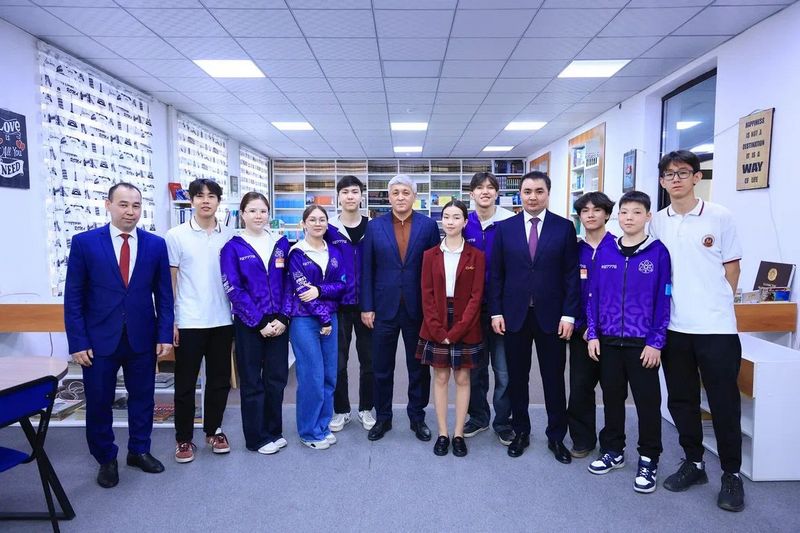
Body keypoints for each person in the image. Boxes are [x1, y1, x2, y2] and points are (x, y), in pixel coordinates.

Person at [649, 150, 746, 512]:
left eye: (682, 172)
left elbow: (732, 269)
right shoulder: (657, 222)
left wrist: (716, 305)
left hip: (716, 329)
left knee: (724, 403)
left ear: (696, 177)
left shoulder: (719, 216)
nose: (675, 179)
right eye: (669, 174)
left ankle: (731, 474)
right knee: (681, 400)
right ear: (662, 181)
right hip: (675, 328)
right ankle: (694, 463)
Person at [64, 182, 173, 488]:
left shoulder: (155, 245)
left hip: (142, 337)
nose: (130, 211)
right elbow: (73, 297)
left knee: (143, 399)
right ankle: (106, 458)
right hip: (99, 341)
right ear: (108, 205)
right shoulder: (85, 243)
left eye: (136, 205)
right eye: (123, 204)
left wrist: (164, 334)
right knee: (99, 401)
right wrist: (78, 341)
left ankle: (139, 450)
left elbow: (164, 295)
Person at [489, 171, 580, 463]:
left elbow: (571, 275)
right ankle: (521, 431)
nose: (532, 197)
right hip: (514, 315)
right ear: (520, 194)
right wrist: (496, 311)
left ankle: (556, 437)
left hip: (552, 317)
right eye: (527, 191)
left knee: (554, 378)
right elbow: (496, 274)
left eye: (539, 191)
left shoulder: (564, 228)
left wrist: (569, 315)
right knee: (517, 378)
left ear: (548, 194)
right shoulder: (505, 229)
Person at [585, 191, 671, 494]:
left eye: (636, 212)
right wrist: (593, 333)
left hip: (642, 343)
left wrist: (656, 342)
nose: (629, 218)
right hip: (608, 341)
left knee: (647, 403)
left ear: (648, 216)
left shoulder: (658, 253)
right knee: (611, 398)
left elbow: (664, 299)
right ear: (617, 216)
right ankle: (613, 450)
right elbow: (593, 295)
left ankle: (649, 458)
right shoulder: (607, 251)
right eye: (624, 212)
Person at [361, 174, 440, 442]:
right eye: (395, 193)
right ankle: (383, 418)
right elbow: (367, 269)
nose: (400, 197)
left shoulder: (428, 226)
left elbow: (435, 270)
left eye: (405, 192)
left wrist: (433, 308)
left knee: (418, 367)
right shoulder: (374, 227)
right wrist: (367, 306)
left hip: (418, 309)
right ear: (389, 197)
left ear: (414, 196)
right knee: (381, 367)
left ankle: (417, 417)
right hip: (383, 308)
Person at [166, 178, 234, 464]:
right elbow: (171, 280)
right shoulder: (175, 236)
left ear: (218, 201)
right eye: (200, 196)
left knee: (219, 380)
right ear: (191, 200)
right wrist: (171, 320)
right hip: (189, 320)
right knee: (185, 383)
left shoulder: (229, 235)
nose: (206, 201)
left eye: (211, 196)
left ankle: (213, 430)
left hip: (222, 319)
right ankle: (183, 438)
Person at [220, 192, 290, 455]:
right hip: (250, 323)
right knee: (252, 381)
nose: (258, 216)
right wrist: (259, 321)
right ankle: (256, 438)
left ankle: (273, 431)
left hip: (279, 321)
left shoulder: (281, 243)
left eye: (262, 211)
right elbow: (233, 288)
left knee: (276, 378)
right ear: (243, 214)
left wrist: (283, 317)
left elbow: (289, 284)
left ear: (268, 214)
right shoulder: (233, 247)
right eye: (252, 211)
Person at [418, 200, 485, 457]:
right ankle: (443, 433)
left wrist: (457, 331)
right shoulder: (430, 255)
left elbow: (476, 297)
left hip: (465, 323)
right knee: (441, 378)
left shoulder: (476, 256)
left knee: (463, 378)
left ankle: (458, 434)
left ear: (465, 222)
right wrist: (437, 330)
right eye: (446, 216)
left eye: (456, 217)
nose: (451, 221)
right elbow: (426, 295)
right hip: (436, 321)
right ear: (441, 220)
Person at [283, 205, 346, 449]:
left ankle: (322, 425)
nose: (318, 223)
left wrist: (319, 290)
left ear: (327, 224)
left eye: (322, 219)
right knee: (312, 376)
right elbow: (302, 292)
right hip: (305, 321)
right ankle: (308, 431)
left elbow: (341, 286)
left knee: (329, 376)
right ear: (303, 224)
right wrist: (324, 318)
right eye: (312, 219)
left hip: (330, 319)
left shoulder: (334, 252)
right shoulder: (296, 253)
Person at [462, 172, 516, 445]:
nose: (485, 191)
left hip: (503, 309)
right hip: (471, 310)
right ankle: (478, 416)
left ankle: (503, 421)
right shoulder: (464, 223)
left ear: (497, 192)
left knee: (503, 370)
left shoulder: (509, 223)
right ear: (471, 193)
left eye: (490, 187)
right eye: (479, 187)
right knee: (475, 369)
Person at [567, 192, 617, 458]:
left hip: (612, 333)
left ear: (607, 214)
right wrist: (583, 327)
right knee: (580, 388)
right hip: (582, 332)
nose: (590, 215)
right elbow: (569, 291)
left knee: (612, 390)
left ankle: (612, 443)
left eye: (596, 210)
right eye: (584, 211)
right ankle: (582, 439)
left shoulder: (619, 248)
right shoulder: (575, 251)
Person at [325, 175, 375, 433]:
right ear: (338, 197)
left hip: (367, 306)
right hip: (338, 306)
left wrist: (372, 303)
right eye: (345, 192)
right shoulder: (329, 228)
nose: (350, 196)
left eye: (355, 191)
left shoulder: (373, 227)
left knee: (369, 361)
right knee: (338, 363)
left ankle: (366, 408)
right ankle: (341, 410)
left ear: (361, 196)